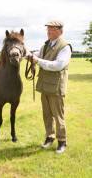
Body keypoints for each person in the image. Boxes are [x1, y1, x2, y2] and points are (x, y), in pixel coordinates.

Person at [26, 20, 72, 154]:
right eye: (48, 29)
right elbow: (37, 56)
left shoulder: (65, 46)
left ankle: (62, 141)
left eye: (51, 29)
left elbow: (58, 65)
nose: (48, 32)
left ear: (59, 31)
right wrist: (27, 54)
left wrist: (38, 61)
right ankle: (49, 137)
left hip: (57, 87)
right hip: (45, 85)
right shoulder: (46, 45)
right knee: (46, 114)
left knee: (58, 116)